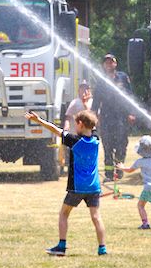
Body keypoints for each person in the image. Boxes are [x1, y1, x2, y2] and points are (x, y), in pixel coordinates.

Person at [25, 109, 107, 256]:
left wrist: (39, 121)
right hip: (94, 186)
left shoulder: (75, 140)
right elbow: (92, 125)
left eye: (76, 124)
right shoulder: (96, 139)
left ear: (81, 124)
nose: (75, 127)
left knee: (64, 213)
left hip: (77, 187)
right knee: (96, 217)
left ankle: (61, 247)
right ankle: (102, 248)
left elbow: (55, 130)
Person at [91, 53, 136, 180]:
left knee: (121, 145)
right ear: (103, 65)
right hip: (106, 118)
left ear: (115, 64)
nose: (109, 64)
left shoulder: (123, 77)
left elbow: (130, 96)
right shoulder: (101, 80)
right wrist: (93, 117)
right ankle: (109, 174)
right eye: (106, 62)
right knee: (108, 146)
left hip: (121, 117)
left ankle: (119, 170)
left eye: (111, 62)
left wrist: (131, 112)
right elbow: (96, 101)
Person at [62, 81, 93, 175]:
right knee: (73, 150)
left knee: (87, 150)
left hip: (88, 131)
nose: (84, 90)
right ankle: (71, 167)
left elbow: (93, 115)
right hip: (76, 131)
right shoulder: (74, 102)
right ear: (79, 90)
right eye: (82, 88)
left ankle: (85, 167)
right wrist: (66, 125)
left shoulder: (92, 102)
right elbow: (68, 116)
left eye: (86, 88)